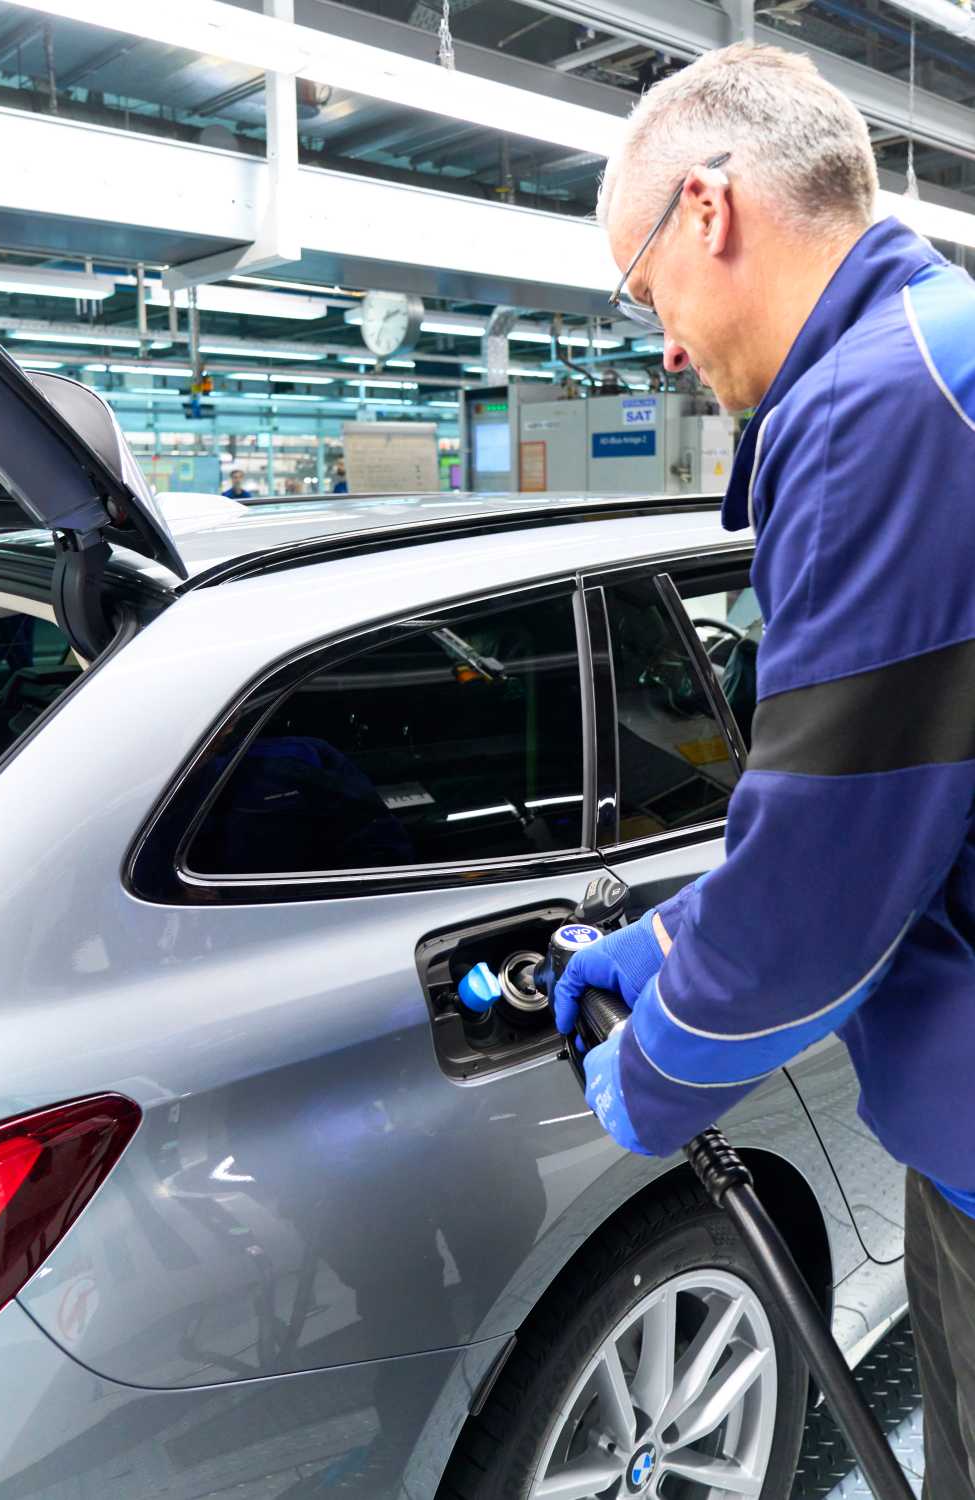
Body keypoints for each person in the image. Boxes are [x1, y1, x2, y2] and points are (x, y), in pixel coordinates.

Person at [554, 42, 975, 1497]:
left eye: (643, 286)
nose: (662, 342)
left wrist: (663, 1067)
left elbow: (829, 871)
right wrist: (673, 932)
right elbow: (919, 791)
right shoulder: (942, 355)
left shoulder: (886, 408)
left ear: (710, 207)